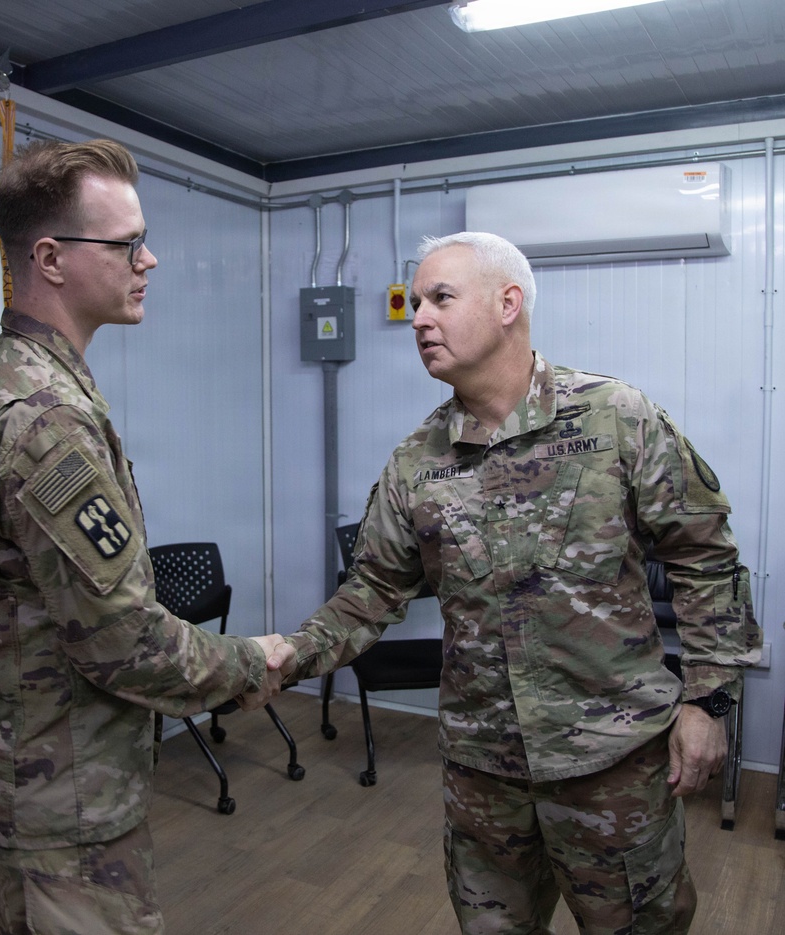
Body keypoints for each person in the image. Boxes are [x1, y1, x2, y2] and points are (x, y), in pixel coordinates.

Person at [279, 232, 762, 934]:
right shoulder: (417, 461)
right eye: (415, 302)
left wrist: (708, 700)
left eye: (440, 298)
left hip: (611, 763)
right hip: (484, 773)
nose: (417, 318)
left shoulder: (614, 418)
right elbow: (372, 590)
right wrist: (283, 657)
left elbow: (705, 556)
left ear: (508, 304)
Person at [0, 138, 287, 935]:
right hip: (61, 807)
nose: (148, 259)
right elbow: (124, 641)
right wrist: (250, 662)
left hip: (27, 788)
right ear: (50, 259)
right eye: (127, 243)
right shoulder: (45, 422)